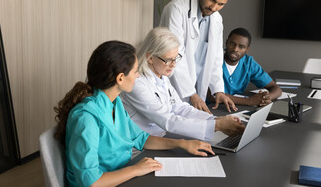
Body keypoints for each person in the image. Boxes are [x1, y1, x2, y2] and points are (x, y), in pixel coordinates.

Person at [54, 41, 214, 187]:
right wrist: (136, 169)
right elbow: (91, 182)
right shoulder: (86, 117)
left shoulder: (114, 103)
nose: (138, 76)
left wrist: (182, 144)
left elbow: (141, 138)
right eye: (136, 71)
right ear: (120, 78)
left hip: (121, 175)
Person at [121, 27, 245, 142]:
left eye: (175, 58)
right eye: (168, 60)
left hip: (161, 138)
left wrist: (215, 120)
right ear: (150, 57)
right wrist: (216, 126)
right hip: (140, 147)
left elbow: (181, 108)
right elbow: (166, 119)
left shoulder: (162, 76)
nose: (173, 65)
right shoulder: (136, 83)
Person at [159, 0, 237, 113]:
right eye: (212, 0)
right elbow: (175, 56)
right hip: (175, 85)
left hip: (196, 90)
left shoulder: (217, 19)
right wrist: (190, 93)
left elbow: (216, 57)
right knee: (171, 125)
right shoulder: (176, 9)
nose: (214, 8)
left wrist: (218, 90)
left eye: (221, 4)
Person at [219, 28, 282, 107]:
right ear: (226, 42)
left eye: (241, 47)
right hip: (212, 107)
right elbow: (213, 96)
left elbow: (275, 88)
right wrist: (249, 101)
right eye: (232, 44)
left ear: (247, 49)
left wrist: (266, 98)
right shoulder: (214, 59)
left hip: (236, 107)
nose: (235, 49)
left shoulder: (249, 63)